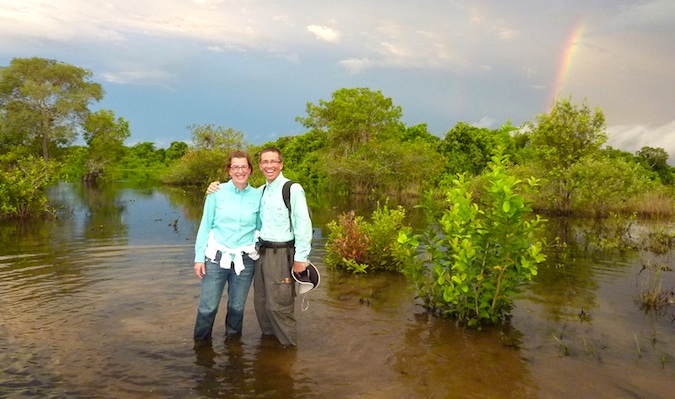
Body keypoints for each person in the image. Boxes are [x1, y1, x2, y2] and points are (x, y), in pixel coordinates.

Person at [207, 147, 312, 346]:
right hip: (261, 253)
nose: (269, 166)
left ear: (281, 164)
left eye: (273, 161)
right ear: (260, 166)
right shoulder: (261, 191)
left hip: (282, 253)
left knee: (279, 304)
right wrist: (214, 187)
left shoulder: (292, 189)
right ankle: (269, 349)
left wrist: (301, 258)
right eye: (265, 162)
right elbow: (239, 200)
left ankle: (288, 351)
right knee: (262, 304)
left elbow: (303, 224)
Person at [193, 150, 261, 342]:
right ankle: (200, 348)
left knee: (237, 308)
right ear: (228, 170)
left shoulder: (257, 196)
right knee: (208, 307)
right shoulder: (216, 192)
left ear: (250, 170)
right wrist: (199, 258)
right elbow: (205, 226)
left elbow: (260, 227)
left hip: (245, 261)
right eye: (235, 167)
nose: (240, 171)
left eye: (244, 167)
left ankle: (233, 348)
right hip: (216, 258)